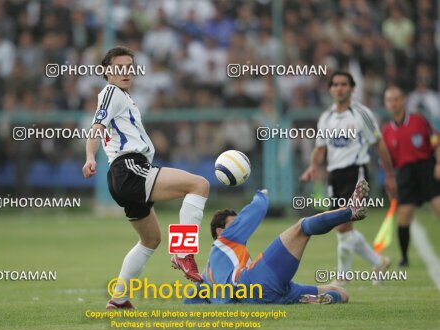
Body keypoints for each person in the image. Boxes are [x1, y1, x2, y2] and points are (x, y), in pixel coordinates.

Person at [82, 46, 210, 310]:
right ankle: (184, 252)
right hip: (129, 168)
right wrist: (90, 157)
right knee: (199, 185)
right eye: (119, 67)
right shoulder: (111, 93)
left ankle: (118, 298)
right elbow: (96, 128)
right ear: (107, 71)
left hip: (123, 176)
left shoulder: (124, 97)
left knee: (150, 240)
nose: (126, 72)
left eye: (129, 67)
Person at [184, 179, 371, 305]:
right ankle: (350, 211)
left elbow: (192, 298)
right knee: (302, 227)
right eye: (235, 222)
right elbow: (256, 210)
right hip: (253, 282)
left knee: (342, 293)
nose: (239, 225)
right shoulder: (224, 240)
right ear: (220, 231)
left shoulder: (206, 274)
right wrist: (261, 195)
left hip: (263, 296)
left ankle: (323, 298)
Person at [300, 70, 396, 286]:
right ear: (330, 89)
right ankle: (378, 262)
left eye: (344, 84)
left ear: (352, 88)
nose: (340, 88)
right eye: (335, 84)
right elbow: (319, 147)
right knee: (343, 227)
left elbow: (378, 142)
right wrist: (313, 166)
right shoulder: (326, 117)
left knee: (343, 225)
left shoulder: (362, 114)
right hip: (335, 175)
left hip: (357, 172)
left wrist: (389, 174)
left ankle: (343, 278)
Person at [382, 86, 440, 267]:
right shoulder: (386, 131)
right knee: (404, 215)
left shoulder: (419, 120)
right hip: (405, 173)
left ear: (404, 100)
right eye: (390, 100)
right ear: (386, 104)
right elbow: (387, 162)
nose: (394, 103)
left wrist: (438, 163)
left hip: (426, 168)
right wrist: (389, 179)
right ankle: (404, 257)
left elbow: (436, 142)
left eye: (397, 98)